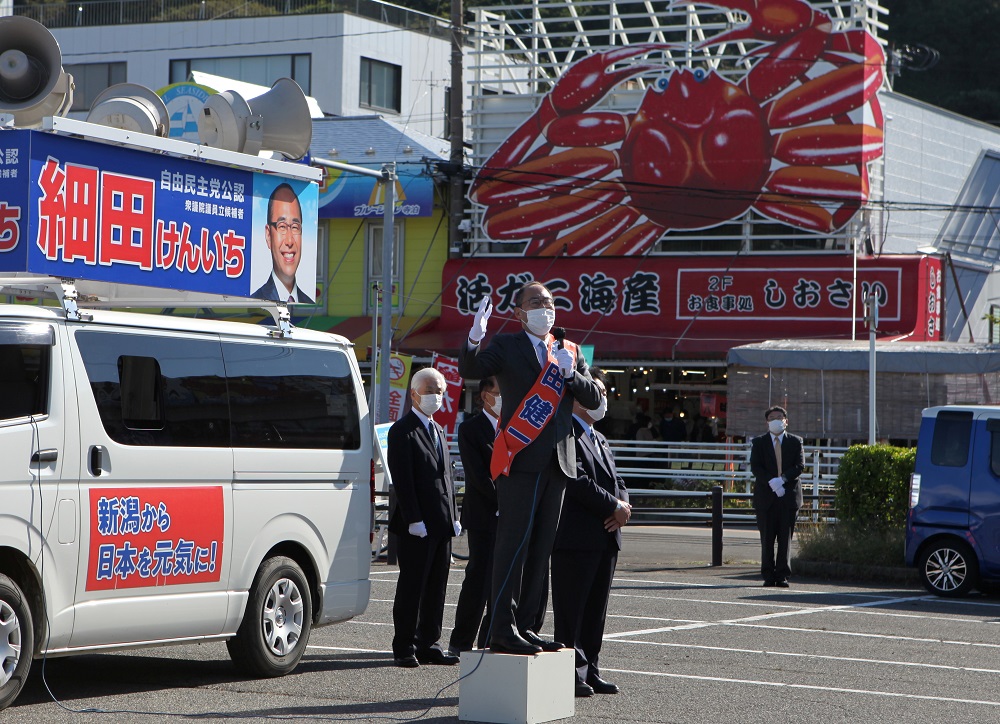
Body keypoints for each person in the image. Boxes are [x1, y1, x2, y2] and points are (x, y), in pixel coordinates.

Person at [459, 282, 602, 656]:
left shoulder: (568, 351)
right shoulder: (507, 346)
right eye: (536, 302)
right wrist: (476, 334)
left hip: (560, 461)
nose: (546, 308)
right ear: (520, 312)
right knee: (513, 545)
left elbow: (594, 399)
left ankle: (526, 625)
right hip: (521, 459)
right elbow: (471, 369)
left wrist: (572, 375)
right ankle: (501, 628)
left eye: (551, 302)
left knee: (541, 549)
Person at [552, 370, 630, 698]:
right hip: (576, 537)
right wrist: (612, 505)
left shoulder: (598, 435)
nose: (603, 399)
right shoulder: (565, 430)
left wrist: (623, 505)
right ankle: (567, 673)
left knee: (596, 610)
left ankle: (590, 669)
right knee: (572, 610)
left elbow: (617, 479)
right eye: (597, 392)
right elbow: (575, 480)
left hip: (605, 536)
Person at [387, 367, 461, 667]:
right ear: (414, 393)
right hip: (416, 526)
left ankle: (429, 642)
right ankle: (404, 645)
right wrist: (413, 519)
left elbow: (446, 478)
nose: (436, 396)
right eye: (430, 390)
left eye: (440, 391)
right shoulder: (402, 430)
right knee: (412, 587)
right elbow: (403, 481)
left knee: (436, 587)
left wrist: (454, 515)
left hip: (441, 524)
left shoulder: (438, 430)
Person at [448, 376, 501, 656]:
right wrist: (505, 499)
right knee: (478, 579)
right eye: (498, 391)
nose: (503, 397)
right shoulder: (471, 429)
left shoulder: (515, 428)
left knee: (503, 582)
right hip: (483, 516)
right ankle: (461, 642)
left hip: (509, 516)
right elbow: (478, 476)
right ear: (484, 395)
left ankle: (491, 639)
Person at [748, 405, 804, 588]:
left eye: (780, 417)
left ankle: (782, 575)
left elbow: (800, 466)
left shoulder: (796, 442)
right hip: (766, 497)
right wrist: (771, 482)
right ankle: (767, 574)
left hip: (789, 496)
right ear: (767, 422)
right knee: (767, 538)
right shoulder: (759, 442)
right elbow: (756, 467)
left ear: (786, 421)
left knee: (785, 538)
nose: (776, 420)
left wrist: (783, 479)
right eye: (772, 417)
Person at [252, 182, 315, 304]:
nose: (290, 241)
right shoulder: (255, 301)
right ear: (268, 235)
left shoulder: (307, 302)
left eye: (295, 227)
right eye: (282, 227)